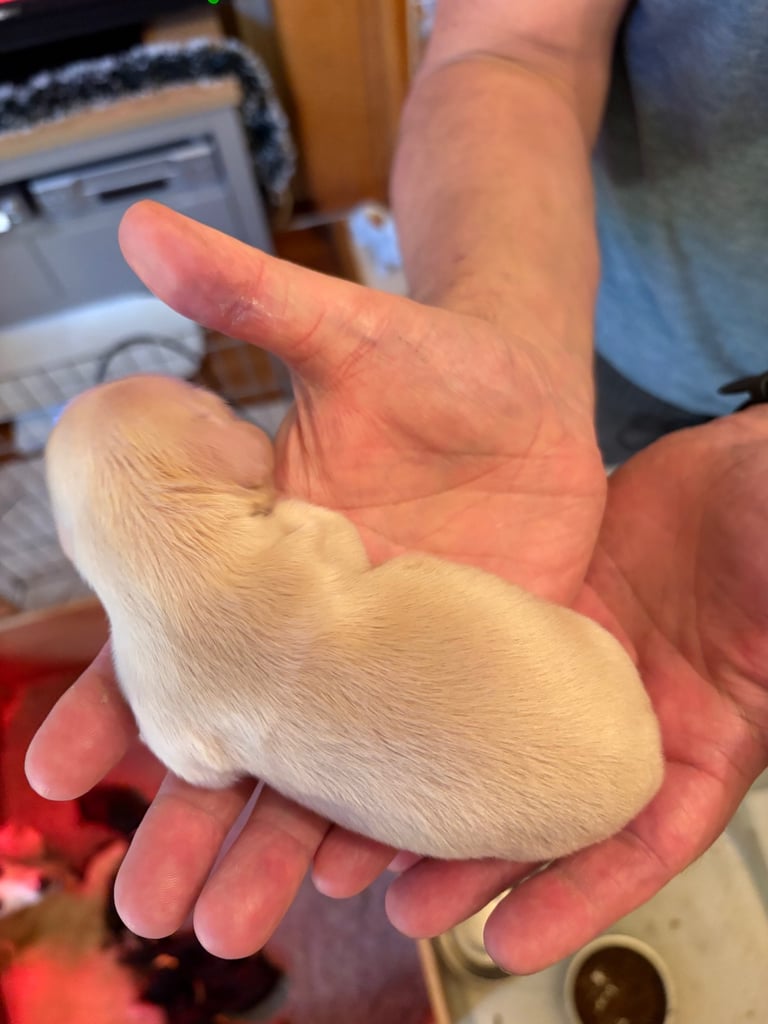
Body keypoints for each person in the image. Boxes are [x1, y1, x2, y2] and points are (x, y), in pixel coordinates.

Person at [25, 0, 768, 973]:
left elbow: (196, 751)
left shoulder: (165, 694)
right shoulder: (285, 555)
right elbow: (513, 46)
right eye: (213, 419)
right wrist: (519, 345)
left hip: (591, 708)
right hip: (614, 335)